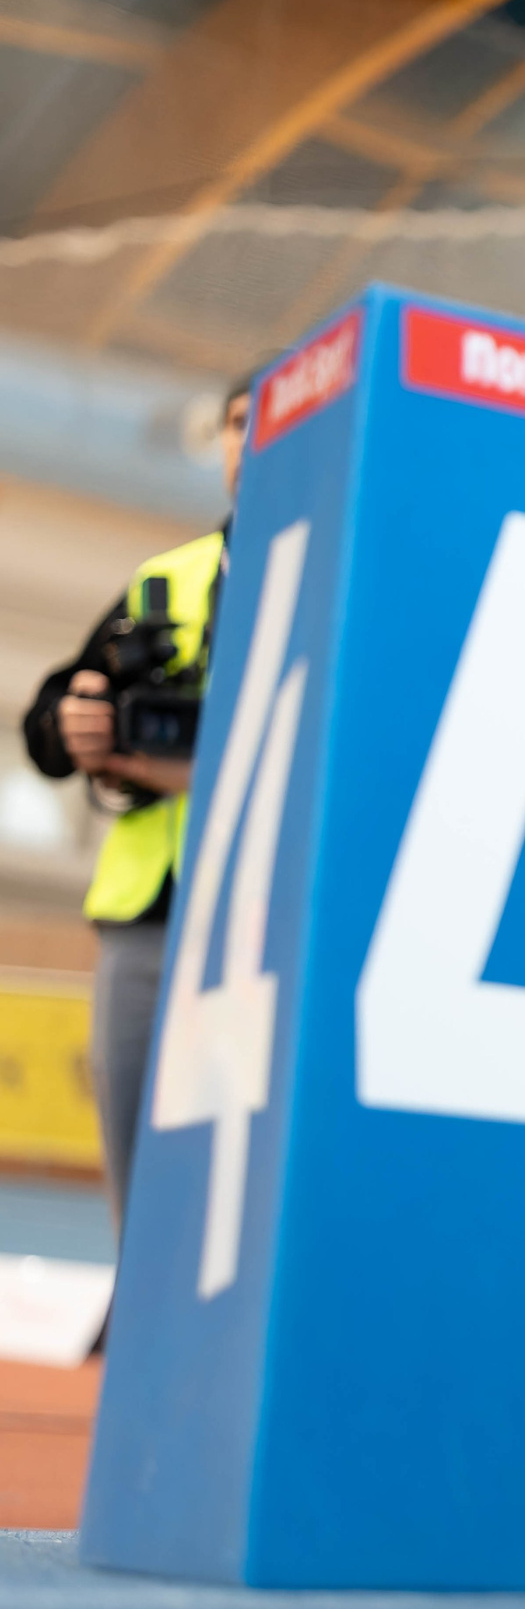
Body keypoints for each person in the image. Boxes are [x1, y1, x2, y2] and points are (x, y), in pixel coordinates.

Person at [20, 377, 250, 1240]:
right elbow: (47, 722)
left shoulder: (347, 574)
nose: (246, 439)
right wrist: (69, 723)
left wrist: (211, 773)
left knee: (242, 1184)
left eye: (268, 419)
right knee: (139, 1189)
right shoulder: (169, 578)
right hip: (149, 923)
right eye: (233, 422)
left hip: (272, 918)